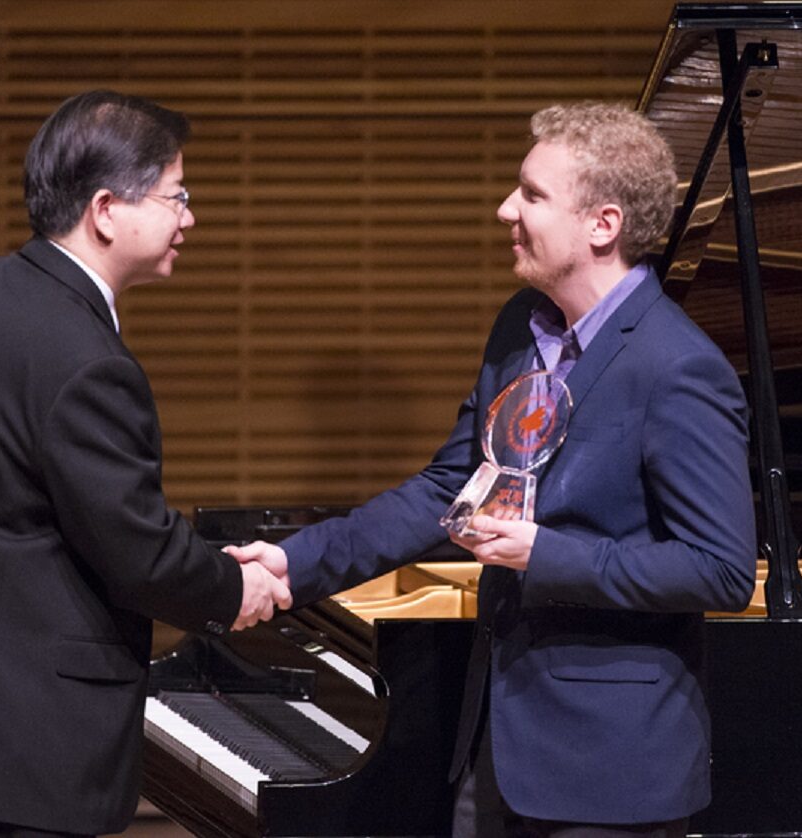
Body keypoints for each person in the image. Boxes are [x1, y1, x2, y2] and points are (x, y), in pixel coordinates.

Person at [227, 102, 757, 836]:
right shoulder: (520, 325)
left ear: (602, 225)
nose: (506, 207)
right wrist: (293, 564)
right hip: (496, 753)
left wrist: (547, 553)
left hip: (610, 773)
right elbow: (448, 489)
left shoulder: (679, 368)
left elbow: (721, 571)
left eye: (533, 195)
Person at [0, 90, 292, 838]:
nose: (190, 218)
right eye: (178, 196)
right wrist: (232, 587)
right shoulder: (88, 362)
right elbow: (136, 551)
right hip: (18, 748)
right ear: (108, 209)